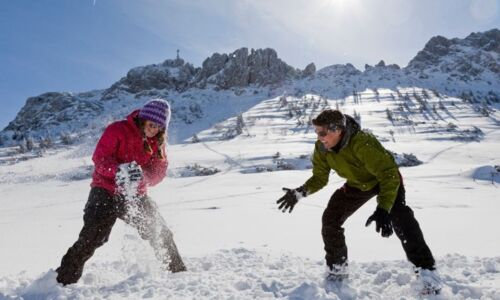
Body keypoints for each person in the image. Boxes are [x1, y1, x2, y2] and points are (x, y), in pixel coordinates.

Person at [276, 109, 440, 292]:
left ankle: (427, 273)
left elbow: (388, 174)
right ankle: (337, 270)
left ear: (337, 130)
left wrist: (384, 208)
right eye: (316, 132)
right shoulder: (322, 148)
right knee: (331, 219)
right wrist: (300, 192)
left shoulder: (362, 143)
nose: (319, 137)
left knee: (401, 217)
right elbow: (320, 178)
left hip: (385, 180)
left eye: (322, 132)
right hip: (357, 183)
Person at [56, 99, 186, 286]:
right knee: (93, 237)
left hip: (135, 194)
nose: (153, 130)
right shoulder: (118, 129)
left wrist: (143, 177)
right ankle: (61, 282)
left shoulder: (157, 144)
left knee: (160, 232)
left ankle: (179, 277)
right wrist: (119, 170)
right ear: (143, 120)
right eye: (151, 125)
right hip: (105, 190)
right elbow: (99, 159)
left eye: (158, 127)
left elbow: (158, 173)